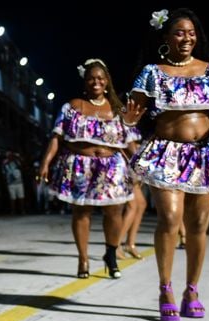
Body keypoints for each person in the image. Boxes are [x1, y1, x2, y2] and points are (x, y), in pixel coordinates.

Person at [129, 8, 209, 321]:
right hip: (166, 153)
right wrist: (127, 116)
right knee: (169, 218)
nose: (187, 38)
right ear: (166, 37)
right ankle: (165, 287)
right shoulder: (153, 71)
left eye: (191, 33)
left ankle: (191, 290)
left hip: (204, 154)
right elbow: (132, 114)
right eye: (179, 32)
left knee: (197, 226)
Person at [39, 58, 143, 279]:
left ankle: (111, 254)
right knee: (82, 211)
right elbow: (56, 137)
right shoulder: (73, 106)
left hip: (112, 167)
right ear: (84, 82)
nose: (95, 82)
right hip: (80, 165)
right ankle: (83, 258)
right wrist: (45, 162)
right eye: (91, 79)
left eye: (100, 78)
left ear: (107, 82)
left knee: (114, 211)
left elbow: (130, 143)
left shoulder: (118, 109)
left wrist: (143, 166)